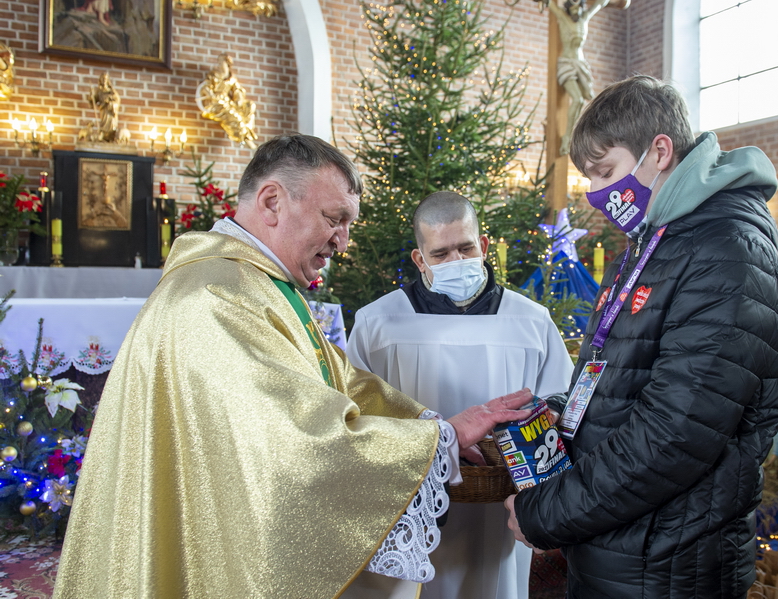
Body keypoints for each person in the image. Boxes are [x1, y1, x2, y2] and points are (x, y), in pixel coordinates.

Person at [54, 134, 534, 599]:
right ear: (271, 202)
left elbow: (337, 379)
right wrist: (439, 441)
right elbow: (292, 443)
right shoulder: (216, 298)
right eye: (334, 219)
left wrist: (428, 424)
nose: (342, 243)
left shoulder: (252, 282)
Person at [504, 75, 778, 597]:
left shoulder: (728, 253)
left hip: (668, 564)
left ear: (659, 150)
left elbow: (674, 434)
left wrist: (546, 512)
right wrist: (544, 416)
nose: (596, 193)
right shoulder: (658, 240)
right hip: (622, 547)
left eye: (605, 171)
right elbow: (619, 381)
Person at [346, 191, 575, 599]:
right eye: (441, 253)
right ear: (420, 259)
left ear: (483, 246)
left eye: (466, 248)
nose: (457, 262)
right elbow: (354, 417)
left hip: (501, 509)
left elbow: (562, 409)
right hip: (411, 507)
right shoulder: (377, 324)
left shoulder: (530, 321)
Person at [547, 0, 628, 155]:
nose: (577, 11)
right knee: (577, 100)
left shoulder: (584, 19)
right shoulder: (563, 18)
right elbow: (551, 5)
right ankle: (567, 138)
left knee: (587, 98)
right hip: (567, 63)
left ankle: (572, 136)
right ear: (569, 8)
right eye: (574, 8)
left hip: (580, 63)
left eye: (579, 7)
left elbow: (598, 4)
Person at [88, 73, 120, 143]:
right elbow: (93, 101)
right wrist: (91, 96)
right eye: (102, 79)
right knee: (104, 124)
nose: (104, 80)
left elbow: (117, 99)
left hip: (111, 111)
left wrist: (110, 103)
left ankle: (111, 138)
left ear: (108, 80)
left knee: (112, 125)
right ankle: (103, 137)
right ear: (100, 80)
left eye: (105, 79)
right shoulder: (99, 91)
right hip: (103, 111)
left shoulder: (112, 91)